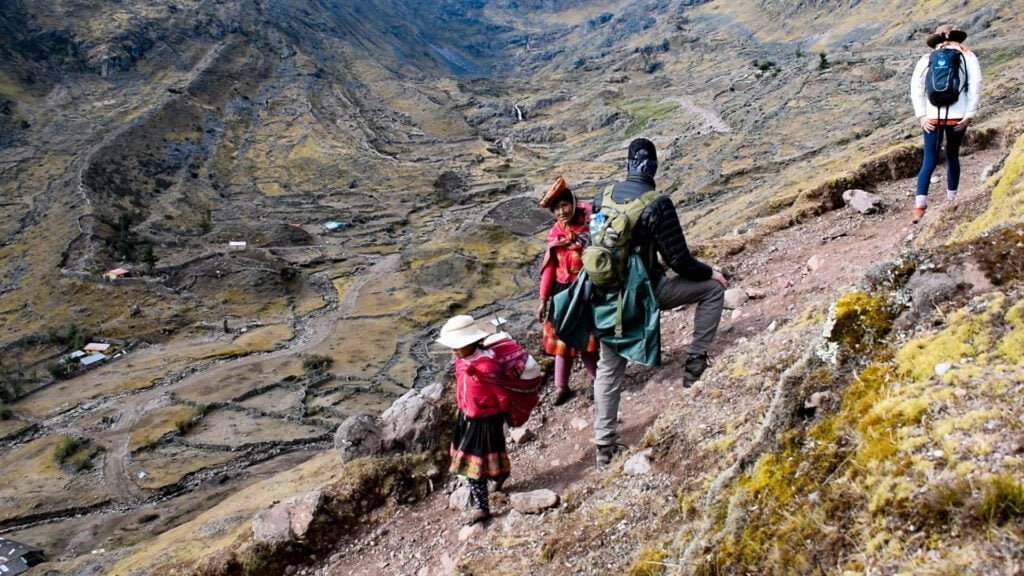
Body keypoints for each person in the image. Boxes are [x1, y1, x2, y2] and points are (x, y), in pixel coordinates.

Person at [590, 138, 729, 468]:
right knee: (712, 290)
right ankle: (695, 365)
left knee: (609, 368)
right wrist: (713, 272)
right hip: (647, 292)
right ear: (653, 166)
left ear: (627, 163)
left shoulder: (601, 197)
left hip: (607, 297)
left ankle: (605, 448)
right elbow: (680, 261)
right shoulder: (658, 204)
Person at [437, 314, 511, 524]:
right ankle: (498, 476)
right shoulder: (462, 362)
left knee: (474, 463)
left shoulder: (487, 366)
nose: (453, 351)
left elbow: (501, 392)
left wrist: (503, 414)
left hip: (486, 420)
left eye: (456, 346)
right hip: (468, 417)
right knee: (485, 456)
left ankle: (482, 507)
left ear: (470, 343)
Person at [909, 24, 982, 223]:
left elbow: (917, 87)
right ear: (958, 37)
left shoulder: (927, 58)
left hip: (931, 116)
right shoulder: (968, 56)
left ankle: (920, 206)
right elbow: (974, 86)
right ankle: (951, 201)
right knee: (952, 156)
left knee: (929, 158)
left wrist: (922, 116)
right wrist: (969, 115)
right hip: (957, 116)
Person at [536, 176, 599, 406]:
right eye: (557, 208)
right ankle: (561, 387)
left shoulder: (591, 227)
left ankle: (597, 380)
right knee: (562, 340)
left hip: (585, 290)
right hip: (562, 293)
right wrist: (543, 299)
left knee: (586, 341)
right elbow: (550, 269)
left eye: (565, 205)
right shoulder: (555, 235)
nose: (561, 212)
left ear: (573, 203)